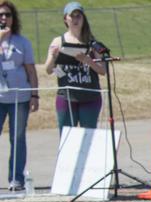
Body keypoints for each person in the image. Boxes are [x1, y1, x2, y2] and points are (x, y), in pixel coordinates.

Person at [44, 1, 105, 133]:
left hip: (90, 97)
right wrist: (54, 57)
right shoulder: (58, 41)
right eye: (72, 16)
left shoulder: (92, 42)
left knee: (89, 138)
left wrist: (88, 60)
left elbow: (102, 70)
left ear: (83, 18)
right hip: (66, 97)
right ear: (66, 19)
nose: (76, 19)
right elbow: (48, 70)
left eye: (79, 16)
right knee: (66, 138)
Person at [0, 0, 38, 191]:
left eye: (8, 15)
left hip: (19, 98)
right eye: (1, 15)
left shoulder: (23, 42)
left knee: (18, 138)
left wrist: (34, 95)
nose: (4, 18)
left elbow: (31, 70)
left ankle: (16, 179)